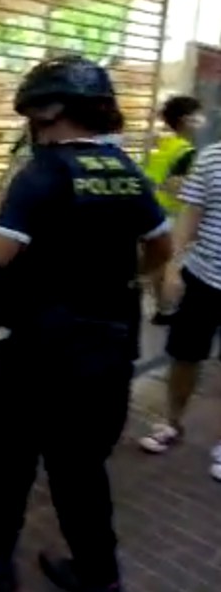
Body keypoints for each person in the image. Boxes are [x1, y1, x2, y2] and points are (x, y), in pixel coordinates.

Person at [0, 57, 172, 592]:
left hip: (39, 352)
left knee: (9, 456)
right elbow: (161, 248)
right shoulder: (127, 172)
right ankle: (99, 575)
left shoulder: (43, 174)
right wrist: (122, 278)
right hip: (108, 351)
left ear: (49, 111)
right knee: (81, 470)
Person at [138, 141, 221, 476]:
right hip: (203, 275)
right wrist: (173, 266)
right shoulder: (212, 157)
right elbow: (190, 215)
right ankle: (172, 422)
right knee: (184, 355)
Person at [142, 95, 201, 324]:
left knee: (157, 264)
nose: (201, 120)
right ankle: (169, 309)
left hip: (152, 210)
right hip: (173, 214)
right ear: (186, 120)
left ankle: (161, 308)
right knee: (173, 265)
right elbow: (178, 186)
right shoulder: (186, 151)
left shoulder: (163, 145)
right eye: (197, 115)